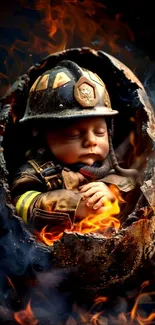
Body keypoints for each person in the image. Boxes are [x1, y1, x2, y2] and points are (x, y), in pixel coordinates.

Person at [10, 60, 139, 233]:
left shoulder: (109, 164)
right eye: (74, 134)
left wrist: (110, 190)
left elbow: (132, 179)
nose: (91, 141)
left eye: (100, 132)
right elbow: (19, 204)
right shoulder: (34, 171)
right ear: (42, 136)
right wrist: (72, 203)